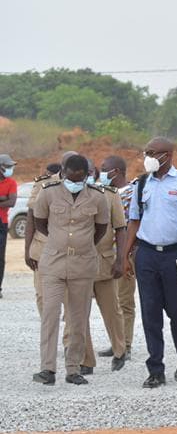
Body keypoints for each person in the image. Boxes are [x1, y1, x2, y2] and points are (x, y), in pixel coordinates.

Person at [122, 137, 177, 388]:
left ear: (167, 155)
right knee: (150, 312)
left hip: (174, 255)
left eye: (152, 153)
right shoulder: (141, 184)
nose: (147, 157)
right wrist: (124, 255)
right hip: (146, 254)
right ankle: (155, 369)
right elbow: (133, 221)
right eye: (145, 152)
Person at [31, 155, 110, 385]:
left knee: (78, 318)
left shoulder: (97, 196)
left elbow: (101, 228)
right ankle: (47, 369)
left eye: (80, 177)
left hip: (83, 265)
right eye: (71, 176)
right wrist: (59, 241)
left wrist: (82, 246)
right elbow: (39, 222)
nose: (75, 180)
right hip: (54, 263)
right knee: (50, 315)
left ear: (86, 175)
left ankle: (73, 368)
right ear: (63, 172)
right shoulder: (48, 191)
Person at [72, 161, 129, 374]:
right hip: (76, 264)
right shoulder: (64, 195)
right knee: (79, 314)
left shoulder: (109, 195)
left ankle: (120, 350)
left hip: (103, 262)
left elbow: (121, 229)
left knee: (111, 310)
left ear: (93, 173)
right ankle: (87, 360)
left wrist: (120, 260)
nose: (83, 176)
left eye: (87, 172)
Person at [25, 151, 77, 315]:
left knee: (73, 300)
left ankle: (70, 338)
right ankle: (49, 334)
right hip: (44, 249)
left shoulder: (85, 186)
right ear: (62, 166)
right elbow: (31, 218)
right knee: (43, 296)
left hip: (73, 251)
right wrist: (27, 251)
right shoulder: (43, 184)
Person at [96, 155, 136, 360]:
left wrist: (126, 255)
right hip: (109, 254)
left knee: (125, 300)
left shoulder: (132, 193)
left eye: (104, 169)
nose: (101, 172)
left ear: (116, 171)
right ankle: (117, 342)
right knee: (113, 302)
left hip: (126, 253)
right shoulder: (105, 192)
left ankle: (125, 345)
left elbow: (130, 226)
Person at [0, 153, 17, 298]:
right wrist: (2, 198)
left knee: (0, 257)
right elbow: (7, 200)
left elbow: (11, 202)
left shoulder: (11, 182)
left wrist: (5, 199)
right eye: (7, 166)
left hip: (2, 223)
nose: (10, 169)